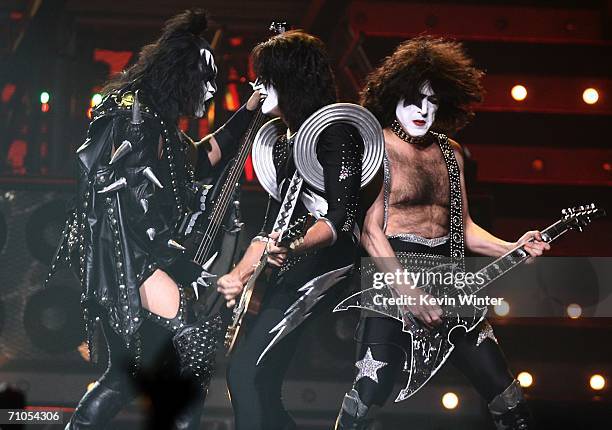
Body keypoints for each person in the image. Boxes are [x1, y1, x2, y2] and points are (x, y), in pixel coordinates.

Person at [46, 9, 260, 429]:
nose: (212, 90)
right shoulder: (137, 121)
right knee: (196, 332)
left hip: (128, 254)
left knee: (122, 377)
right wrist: (186, 267)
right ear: (182, 77)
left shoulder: (158, 124)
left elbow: (206, 157)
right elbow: (130, 214)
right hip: (123, 257)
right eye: (206, 80)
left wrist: (252, 105)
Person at [334, 36, 549, 430]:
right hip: (391, 280)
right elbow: (370, 232)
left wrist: (512, 245)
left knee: (508, 398)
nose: (423, 109)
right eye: (414, 99)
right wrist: (411, 294)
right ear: (393, 96)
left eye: (433, 101)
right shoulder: (376, 144)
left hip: (448, 280)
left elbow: (464, 229)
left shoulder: (451, 152)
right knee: (367, 399)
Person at [216, 30, 364, 430]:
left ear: (289, 80)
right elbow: (272, 221)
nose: (257, 88)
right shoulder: (284, 139)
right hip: (289, 267)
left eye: (264, 80)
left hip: (324, 267)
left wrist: (290, 247)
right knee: (259, 382)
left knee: (243, 373)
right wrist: (243, 272)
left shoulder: (335, 133)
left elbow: (339, 220)